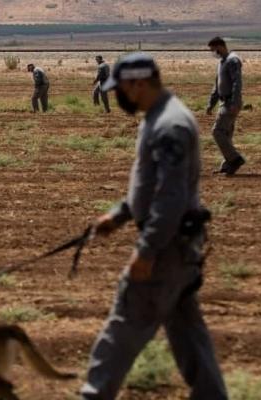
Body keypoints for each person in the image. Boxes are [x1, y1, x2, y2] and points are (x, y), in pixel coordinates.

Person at [80, 53, 228, 400]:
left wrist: (146, 251)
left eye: (121, 90)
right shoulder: (159, 117)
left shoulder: (169, 125)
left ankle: (94, 395)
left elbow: (170, 197)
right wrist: (119, 215)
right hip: (179, 246)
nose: (119, 97)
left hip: (166, 248)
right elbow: (152, 187)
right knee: (187, 331)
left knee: (124, 324)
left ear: (138, 84)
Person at [206, 36, 245, 175]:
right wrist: (211, 104)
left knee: (217, 132)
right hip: (224, 102)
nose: (213, 53)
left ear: (220, 46)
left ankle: (235, 159)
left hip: (230, 103)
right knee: (226, 134)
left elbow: (237, 83)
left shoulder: (232, 60)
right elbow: (217, 86)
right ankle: (227, 165)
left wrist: (234, 102)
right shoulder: (222, 62)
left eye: (214, 49)